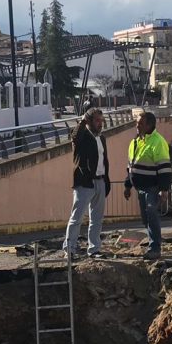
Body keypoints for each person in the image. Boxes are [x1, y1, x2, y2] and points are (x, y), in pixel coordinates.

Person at [63, 108, 110, 259]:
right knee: (77, 217)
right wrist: (83, 121)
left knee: (96, 219)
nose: (100, 124)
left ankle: (94, 249)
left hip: (100, 180)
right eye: (97, 120)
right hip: (85, 182)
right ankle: (69, 249)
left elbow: (104, 160)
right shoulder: (82, 136)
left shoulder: (101, 138)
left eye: (101, 120)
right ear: (89, 121)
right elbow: (74, 136)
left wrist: (106, 180)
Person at [124, 112, 172, 260]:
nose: (137, 126)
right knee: (146, 218)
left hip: (153, 186)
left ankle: (155, 248)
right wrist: (127, 185)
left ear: (150, 125)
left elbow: (164, 168)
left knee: (151, 213)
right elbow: (130, 166)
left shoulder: (158, 142)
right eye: (137, 123)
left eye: (140, 123)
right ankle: (153, 240)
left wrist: (164, 190)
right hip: (140, 188)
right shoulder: (135, 142)